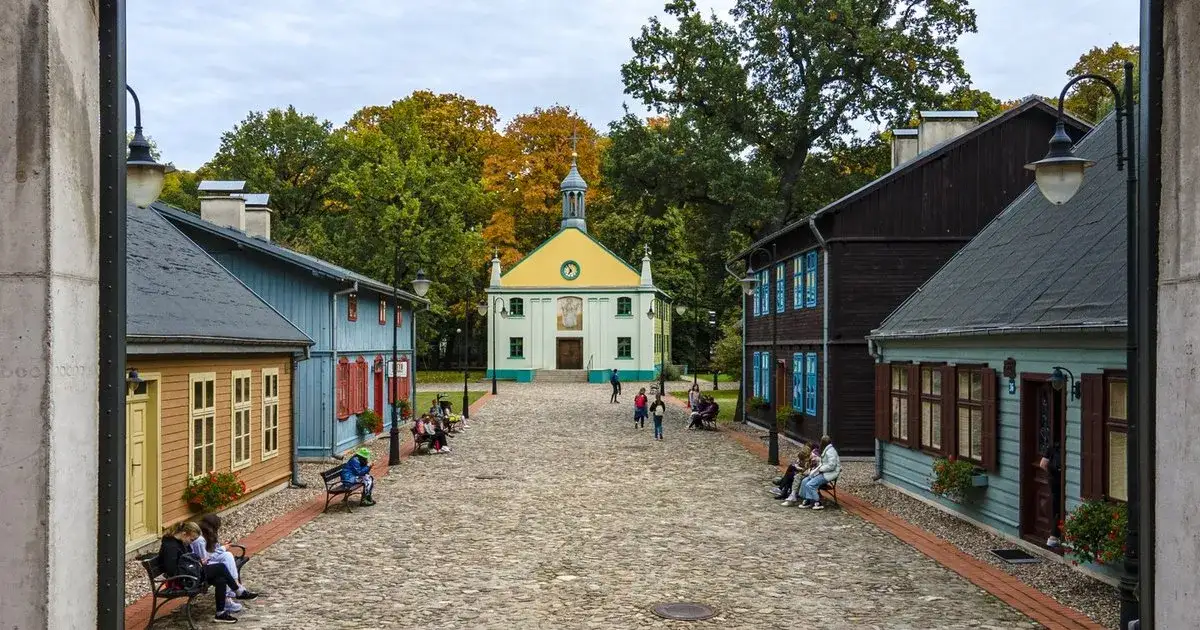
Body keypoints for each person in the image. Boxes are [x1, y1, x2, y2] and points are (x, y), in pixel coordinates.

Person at [158, 521, 239, 623]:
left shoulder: (181, 542)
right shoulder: (170, 546)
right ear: (184, 534)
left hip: (190, 573)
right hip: (183, 580)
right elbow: (172, 571)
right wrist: (196, 566)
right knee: (220, 567)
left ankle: (220, 613)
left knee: (220, 578)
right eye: (191, 539)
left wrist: (198, 562)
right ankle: (237, 590)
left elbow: (188, 558)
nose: (191, 542)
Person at [192, 514, 258, 613]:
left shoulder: (208, 535)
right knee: (224, 567)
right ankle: (230, 598)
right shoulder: (200, 540)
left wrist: (222, 546)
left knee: (227, 555)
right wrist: (223, 548)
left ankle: (236, 585)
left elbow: (213, 551)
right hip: (201, 567)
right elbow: (205, 559)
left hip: (208, 563)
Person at [784, 435, 840, 510]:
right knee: (804, 481)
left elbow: (831, 466)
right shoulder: (827, 450)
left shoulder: (830, 451)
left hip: (828, 474)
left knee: (810, 485)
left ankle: (817, 502)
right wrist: (818, 467)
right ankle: (808, 499)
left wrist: (820, 469)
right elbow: (824, 463)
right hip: (823, 472)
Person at [1040, 439, 1063, 547]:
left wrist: (1052, 475)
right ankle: (1054, 537)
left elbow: (1043, 464)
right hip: (1058, 483)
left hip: (1053, 481)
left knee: (1056, 508)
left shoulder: (1052, 446)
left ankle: (1054, 537)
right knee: (1058, 509)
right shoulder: (1059, 448)